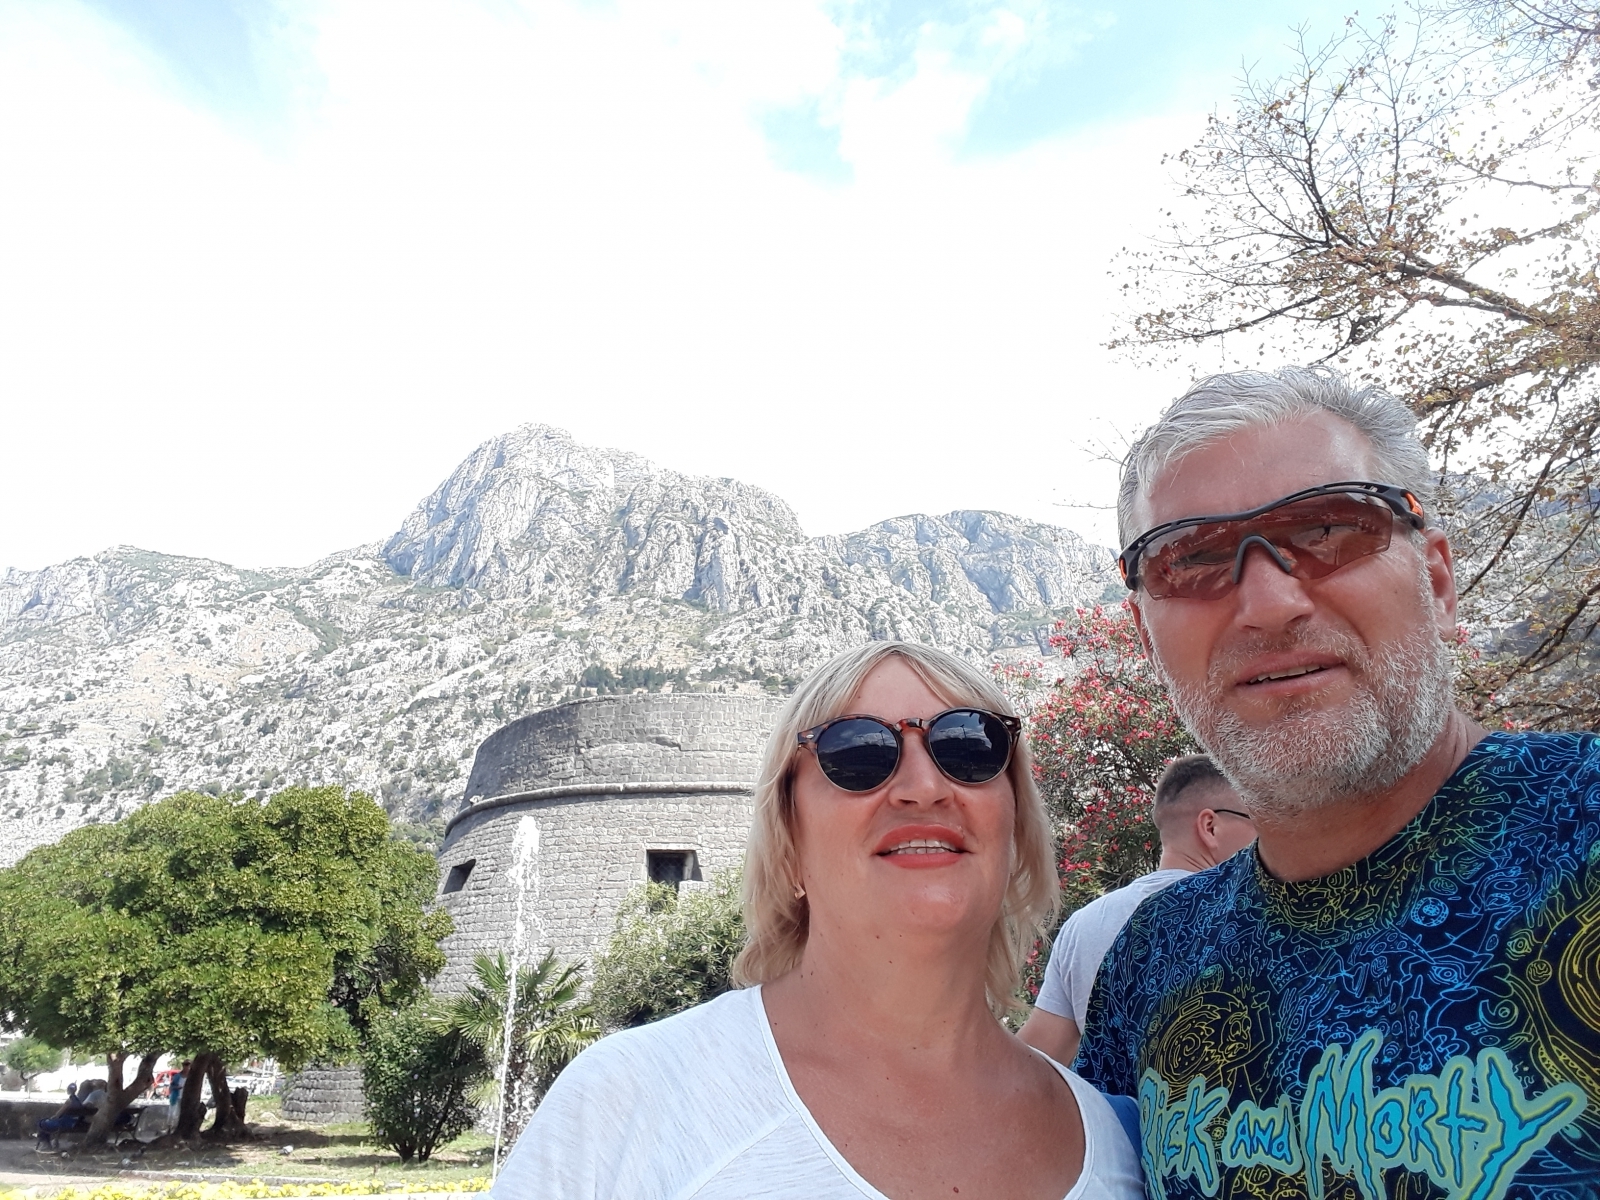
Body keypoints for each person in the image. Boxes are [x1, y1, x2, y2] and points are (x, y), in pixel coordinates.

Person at [1074, 366, 1600, 1199]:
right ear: (1146, 635)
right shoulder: (1151, 959)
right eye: (1192, 559)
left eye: (1328, 529)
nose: (1268, 602)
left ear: (1436, 580)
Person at [493, 641, 1143, 1199]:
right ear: (789, 840)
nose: (923, 786)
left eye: (969, 746)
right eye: (858, 754)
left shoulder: (1117, 1145)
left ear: (1015, 824)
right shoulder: (626, 1103)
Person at [1017, 754, 1253, 1065]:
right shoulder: (1251, 918)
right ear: (1210, 827)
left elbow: (1036, 1059)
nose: (1267, 837)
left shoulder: (1085, 925)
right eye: (1258, 820)